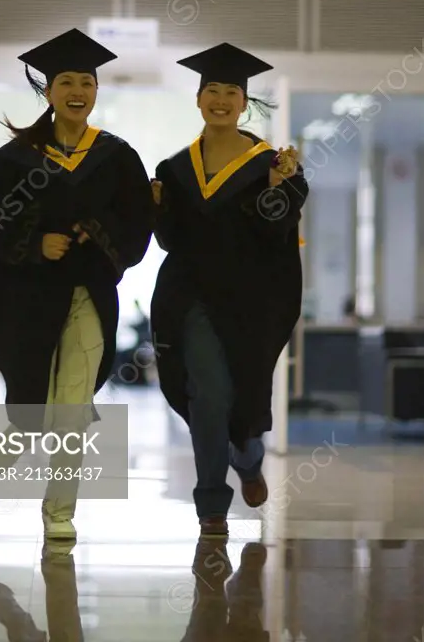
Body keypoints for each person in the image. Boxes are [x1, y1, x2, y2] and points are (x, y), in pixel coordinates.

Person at [0, 28, 153, 543]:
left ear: (96, 91)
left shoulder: (116, 157)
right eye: (66, 81)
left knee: (72, 408)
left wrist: (94, 233)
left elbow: (137, 224)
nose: (78, 90)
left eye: (87, 81)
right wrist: (35, 244)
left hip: (88, 293)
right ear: (48, 92)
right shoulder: (14, 160)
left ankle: (59, 510)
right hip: (26, 296)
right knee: (32, 403)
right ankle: (19, 430)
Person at [150, 43, 308, 538]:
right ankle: (212, 504)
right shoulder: (174, 169)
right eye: (212, 90)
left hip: (251, 302)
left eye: (231, 92)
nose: (221, 99)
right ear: (199, 99)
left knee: (245, 401)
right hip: (191, 297)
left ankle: (249, 459)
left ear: (245, 103)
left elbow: (275, 232)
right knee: (208, 394)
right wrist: (158, 208)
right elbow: (170, 240)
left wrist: (278, 186)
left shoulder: (272, 163)